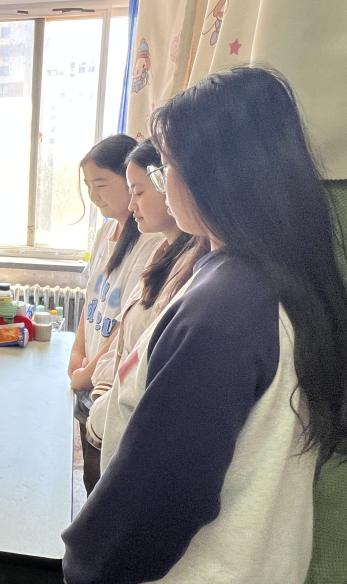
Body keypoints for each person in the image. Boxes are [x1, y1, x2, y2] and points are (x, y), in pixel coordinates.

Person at [62, 66, 347, 583]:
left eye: (168, 165)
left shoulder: (226, 309)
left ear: (216, 176)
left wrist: (87, 564)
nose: (161, 181)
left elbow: (161, 495)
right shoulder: (272, 272)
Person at [84, 139, 208, 452]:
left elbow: (141, 360)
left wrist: (100, 405)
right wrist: (100, 392)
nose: (131, 205)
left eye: (138, 192)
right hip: (109, 414)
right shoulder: (164, 253)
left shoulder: (190, 271)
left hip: (125, 428)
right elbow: (124, 343)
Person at [68, 135, 163, 494]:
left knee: (102, 481)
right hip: (90, 373)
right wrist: (77, 352)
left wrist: (89, 372)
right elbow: (92, 298)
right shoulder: (106, 230)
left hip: (105, 382)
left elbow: (127, 326)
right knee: (88, 475)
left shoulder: (152, 241)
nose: (94, 195)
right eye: (88, 186)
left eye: (101, 184)